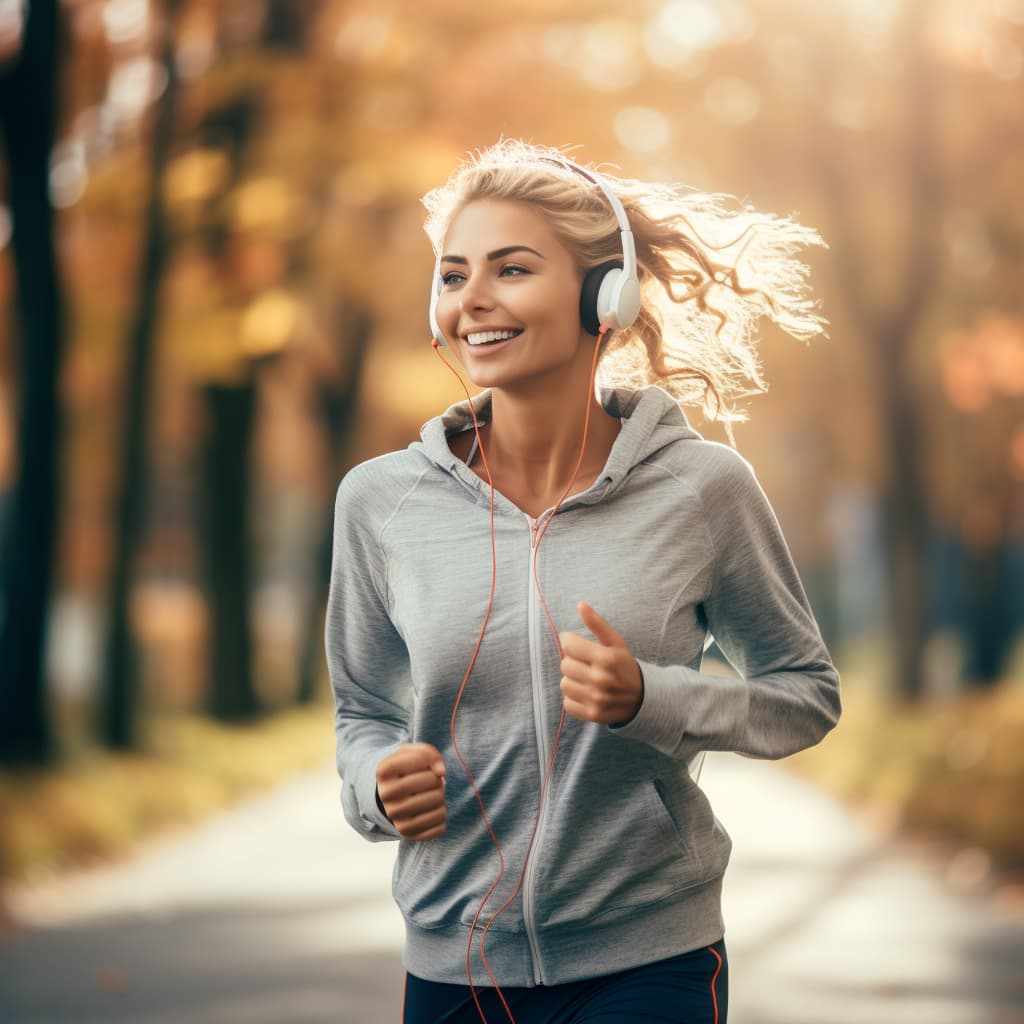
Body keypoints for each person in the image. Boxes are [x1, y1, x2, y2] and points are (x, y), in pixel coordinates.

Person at [325, 140, 841, 1024]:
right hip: (455, 965)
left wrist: (656, 697)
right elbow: (361, 708)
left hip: (649, 955)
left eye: (511, 269)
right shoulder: (381, 502)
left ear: (608, 294)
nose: (472, 298)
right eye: (453, 276)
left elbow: (805, 697)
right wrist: (374, 780)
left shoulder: (703, 489)